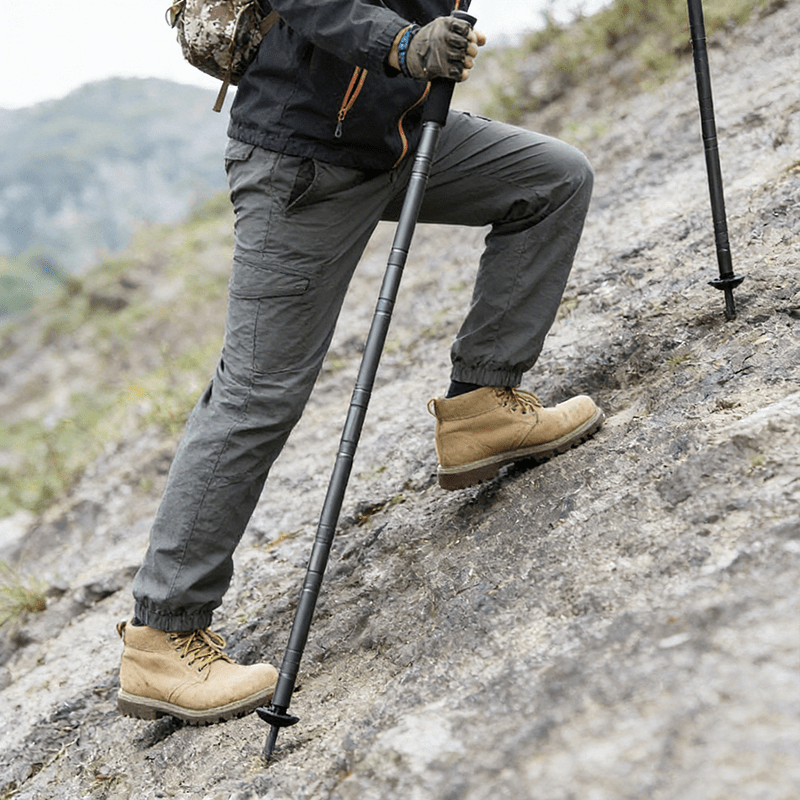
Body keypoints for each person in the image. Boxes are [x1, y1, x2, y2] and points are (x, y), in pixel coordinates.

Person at [117, 0, 604, 725]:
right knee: (258, 395)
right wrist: (404, 45)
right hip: (302, 159)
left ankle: (482, 409)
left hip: (398, 136)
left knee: (552, 179)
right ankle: (161, 635)